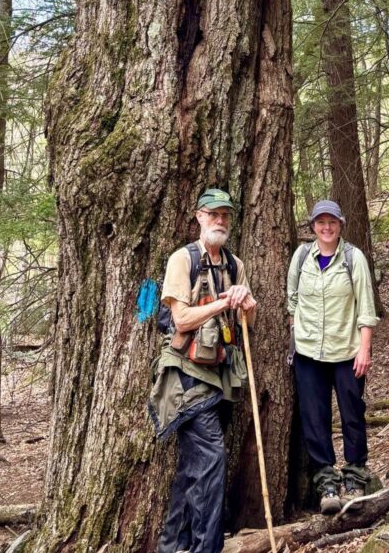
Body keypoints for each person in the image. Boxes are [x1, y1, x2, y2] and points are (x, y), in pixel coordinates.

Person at [148, 188, 257, 553]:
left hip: (222, 376)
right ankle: (205, 548)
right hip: (186, 375)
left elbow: (246, 320)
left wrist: (247, 303)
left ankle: (172, 545)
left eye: (226, 215)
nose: (221, 221)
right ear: (199, 217)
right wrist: (222, 301)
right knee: (212, 460)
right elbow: (180, 318)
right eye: (214, 214)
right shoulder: (182, 260)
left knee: (195, 466)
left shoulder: (235, 264)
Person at [287, 199, 378, 514]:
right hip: (309, 353)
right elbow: (292, 302)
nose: (326, 228)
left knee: (352, 414)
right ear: (313, 226)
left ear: (340, 224)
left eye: (332, 222)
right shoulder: (301, 258)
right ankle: (327, 483)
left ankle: (354, 477)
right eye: (320, 222)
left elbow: (366, 308)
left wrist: (364, 348)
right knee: (315, 419)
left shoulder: (353, 259)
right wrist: (297, 336)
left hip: (347, 352)